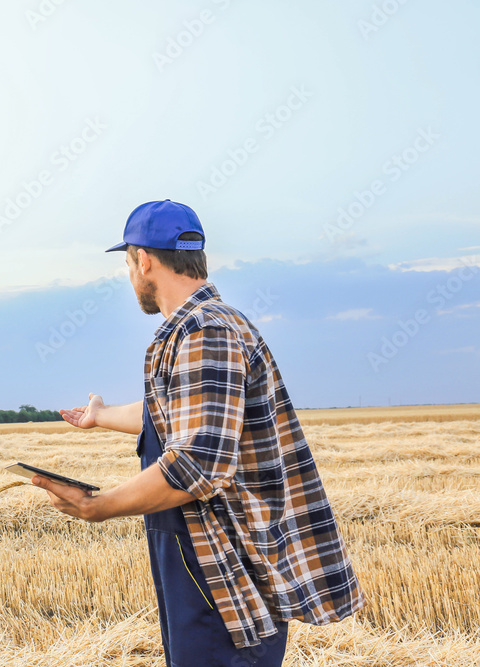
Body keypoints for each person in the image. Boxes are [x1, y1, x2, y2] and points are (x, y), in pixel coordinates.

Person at [32, 200, 365, 666]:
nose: (130, 277)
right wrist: (100, 415)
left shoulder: (204, 332)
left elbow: (197, 463)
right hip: (199, 559)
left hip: (220, 569)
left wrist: (97, 505)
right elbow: (175, 416)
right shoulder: (200, 328)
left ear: (143, 259)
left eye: (128, 264)